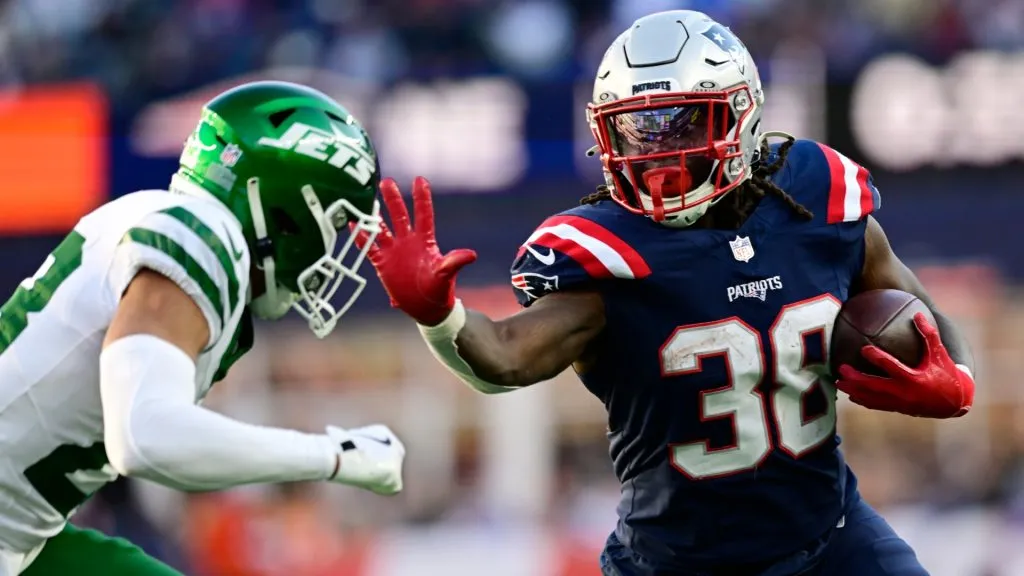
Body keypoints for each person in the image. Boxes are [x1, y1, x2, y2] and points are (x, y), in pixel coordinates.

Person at [361, 10, 974, 576]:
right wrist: (438, 314)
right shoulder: (608, 256)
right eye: (635, 130)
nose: (659, 152)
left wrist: (958, 375)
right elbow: (504, 359)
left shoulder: (821, 197)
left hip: (833, 541)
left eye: (680, 122)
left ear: (741, 114)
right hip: (676, 565)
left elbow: (919, 312)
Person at [0, 80, 405, 576]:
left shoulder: (174, 222)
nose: (331, 252)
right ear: (285, 204)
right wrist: (333, 456)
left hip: (23, 536)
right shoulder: (203, 239)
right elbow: (145, 437)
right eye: (335, 223)